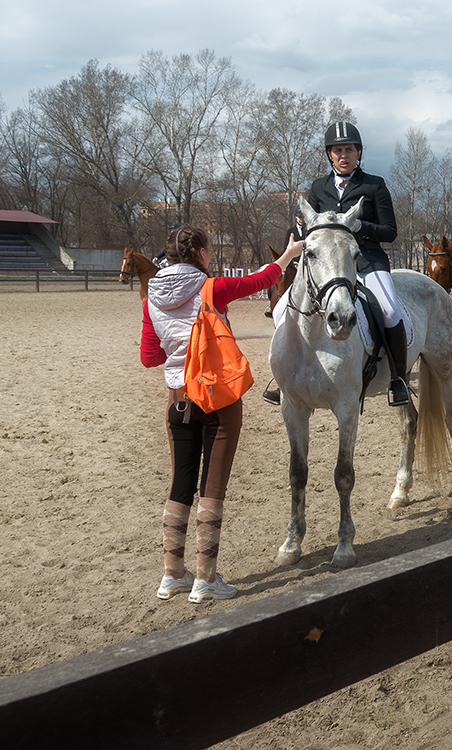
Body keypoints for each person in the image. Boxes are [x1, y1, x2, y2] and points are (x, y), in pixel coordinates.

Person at [142, 226, 303, 603]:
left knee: (179, 483)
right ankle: (206, 579)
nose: (211, 256)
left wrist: (180, 347)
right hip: (216, 396)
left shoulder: (151, 296)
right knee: (212, 488)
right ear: (199, 252)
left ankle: (172, 574)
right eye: (209, 250)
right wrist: (289, 254)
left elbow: (149, 357)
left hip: (177, 397)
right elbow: (260, 280)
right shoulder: (210, 287)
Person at [264, 121, 409, 406]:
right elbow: (313, 230)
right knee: (282, 308)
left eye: (349, 150)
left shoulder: (375, 185)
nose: (344, 155)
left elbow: (390, 232)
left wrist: (360, 226)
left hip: (366, 261)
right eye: (338, 150)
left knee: (391, 310)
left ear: (358, 153)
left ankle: (398, 378)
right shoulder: (318, 188)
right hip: (328, 267)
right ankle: (285, 379)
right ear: (330, 154)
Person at [266, 206, 305, 317]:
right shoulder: (290, 231)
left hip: (305, 262)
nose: (301, 219)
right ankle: (271, 304)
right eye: (299, 217)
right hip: (293, 262)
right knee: (275, 282)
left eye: (302, 217)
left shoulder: (309, 230)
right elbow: (286, 247)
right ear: (295, 217)